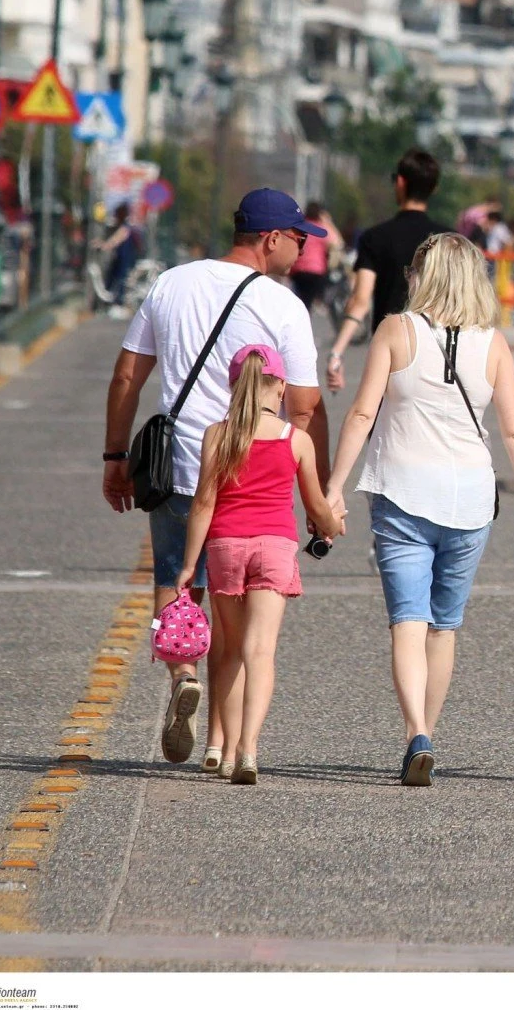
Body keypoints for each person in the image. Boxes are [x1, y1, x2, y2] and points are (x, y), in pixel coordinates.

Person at [102, 190, 328, 768]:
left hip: (179, 463)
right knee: (237, 619)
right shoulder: (283, 308)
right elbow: (304, 406)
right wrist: (310, 483)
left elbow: (129, 373)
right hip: (252, 475)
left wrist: (115, 455)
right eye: (299, 238)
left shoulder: (172, 283)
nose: (303, 249)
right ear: (271, 238)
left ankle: (181, 670)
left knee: (176, 579)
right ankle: (224, 746)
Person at [324, 232, 514, 785]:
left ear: (422, 276)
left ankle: (416, 733)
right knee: (444, 627)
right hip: (470, 502)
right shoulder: (493, 344)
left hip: (403, 495)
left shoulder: (396, 331)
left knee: (408, 620)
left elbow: (361, 415)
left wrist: (332, 489)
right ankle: (429, 731)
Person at [173, 345, 342, 783]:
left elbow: (203, 503)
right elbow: (316, 507)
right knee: (260, 651)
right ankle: (248, 749)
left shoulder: (218, 435)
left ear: (234, 386)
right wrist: (333, 523)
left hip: (226, 547)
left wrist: (189, 564)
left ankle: (225, 752)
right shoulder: (295, 440)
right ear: (281, 387)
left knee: (229, 652)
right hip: (275, 547)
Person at [327, 149, 446, 392]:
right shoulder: (447, 240)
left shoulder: (375, 238)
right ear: (434, 189)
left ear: (400, 182)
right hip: (437, 348)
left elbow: (360, 301)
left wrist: (337, 352)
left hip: (389, 349)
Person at [288, 202, 344, 312]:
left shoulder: (300, 227)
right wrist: (328, 222)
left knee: (299, 299)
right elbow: (338, 243)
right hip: (315, 271)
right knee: (307, 302)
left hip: (297, 270)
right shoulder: (321, 229)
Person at [98, 205, 141, 305]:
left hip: (124, 260)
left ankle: (118, 303)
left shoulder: (125, 228)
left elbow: (114, 242)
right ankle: (114, 301)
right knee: (117, 279)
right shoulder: (127, 227)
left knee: (120, 280)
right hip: (124, 259)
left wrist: (103, 245)